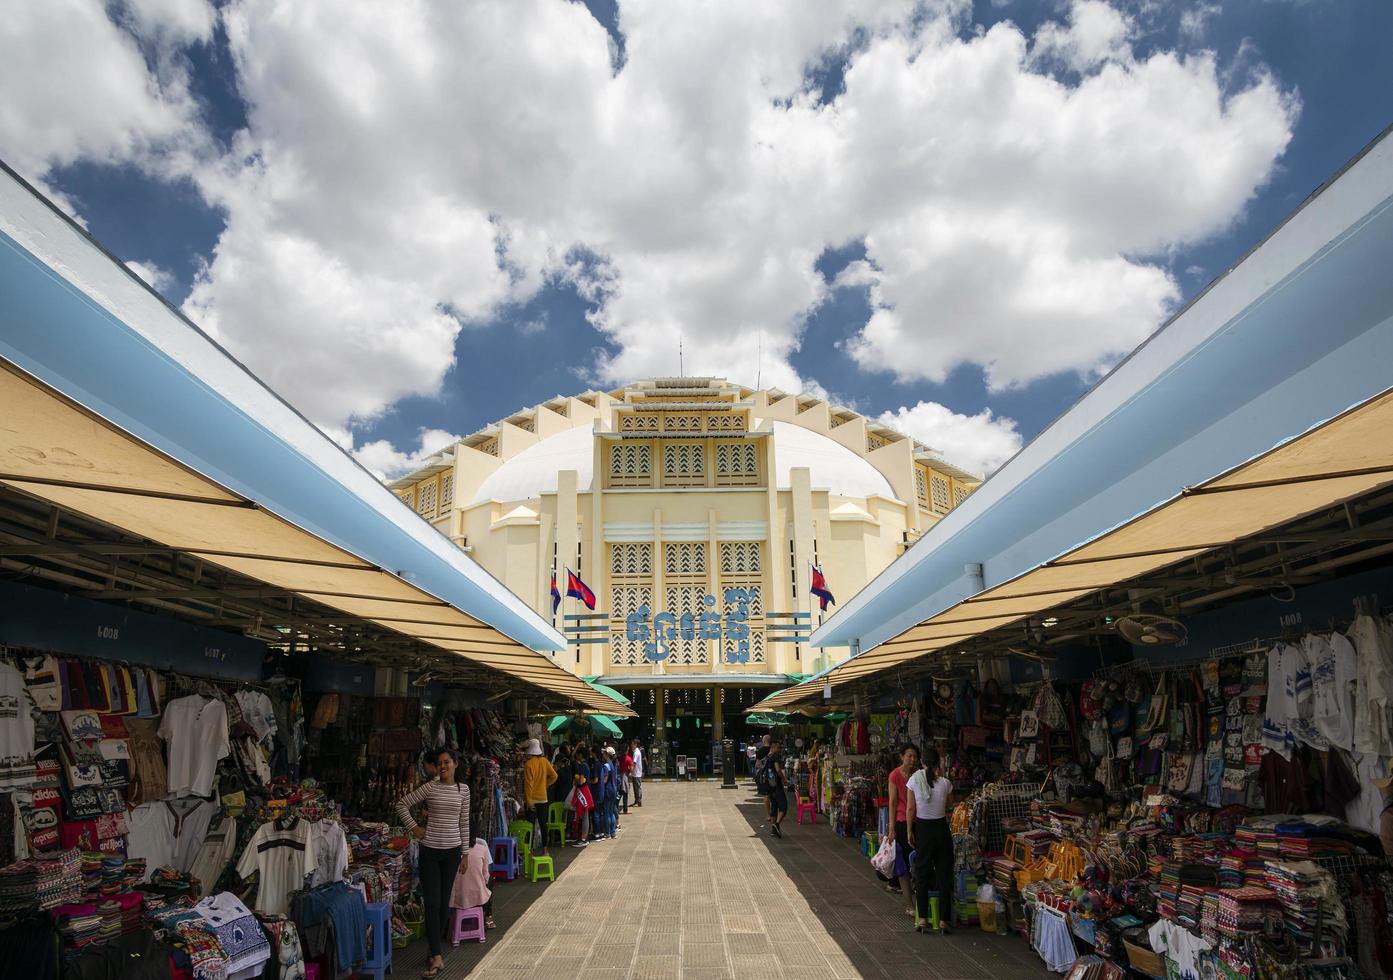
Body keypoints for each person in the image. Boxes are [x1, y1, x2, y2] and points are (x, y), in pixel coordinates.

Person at [394, 748, 471, 979]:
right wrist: (415, 828)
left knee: (443, 903)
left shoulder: (463, 790)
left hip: (452, 853)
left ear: (455, 764)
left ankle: (434, 948)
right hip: (430, 851)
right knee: (432, 902)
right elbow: (401, 805)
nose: (443, 766)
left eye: (447, 762)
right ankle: (437, 954)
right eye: (439, 763)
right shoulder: (430, 787)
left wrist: (465, 854)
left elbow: (464, 822)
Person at [907, 746, 955, 934]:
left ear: (922, 762)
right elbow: (950, 804)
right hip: (941, 829)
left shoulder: (914, 780)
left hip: (924, 829)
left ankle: (922, 918)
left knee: (922, 873)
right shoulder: (945, 783)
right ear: (938, 764)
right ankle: (943, 920)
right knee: (943, 874)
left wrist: (910, 830)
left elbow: (911, 809)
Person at [885, 743, 919, 916]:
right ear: (901, 756)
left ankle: (920, 901)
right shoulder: (894, 775)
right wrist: (891, 828)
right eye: (909, 756)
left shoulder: (919, 775)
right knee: (903, 865)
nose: (912, 760)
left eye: (914, 756)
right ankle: (909, 904)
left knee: (918, 863)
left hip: (918, 822)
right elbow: (892, 802)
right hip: (900, 822)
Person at [450, 834, 495, 930]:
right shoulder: (482, 847)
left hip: (454, 898)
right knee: (489, 882)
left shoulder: (451, 849)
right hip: (477, 896)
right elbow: (486, 875)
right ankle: (487, 916)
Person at [522, 738, 557, 855]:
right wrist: (545, 785)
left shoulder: (528, 764)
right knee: (543, 824)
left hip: (532, 799)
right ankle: (545, 849)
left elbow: (528, 785)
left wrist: (529, 802)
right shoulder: (545, 761)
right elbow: (554, 776)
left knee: (530, 825)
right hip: (543, 798)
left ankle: (530, 851)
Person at [765, 737, 787, 837]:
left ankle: (773, 830)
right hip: (777, 786)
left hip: (770, 786)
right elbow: (778, 770)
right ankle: (777, 824)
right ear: (773, 747)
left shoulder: (768, 757)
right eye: (778, 747)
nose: (780, 749)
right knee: (783, 806)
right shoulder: (775, 756)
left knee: (774, 806)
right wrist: (783, 779)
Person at [630, 739, 644, 807]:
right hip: (636, 772)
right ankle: (637, 800)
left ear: (635, 744)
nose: (631, 745)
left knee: (637, 787)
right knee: (636, 788)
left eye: (632, 744)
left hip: (636, 773)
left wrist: (631, 771)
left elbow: (634, 763)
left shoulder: (636, 752)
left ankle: (639, 801)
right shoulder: (636, 751)